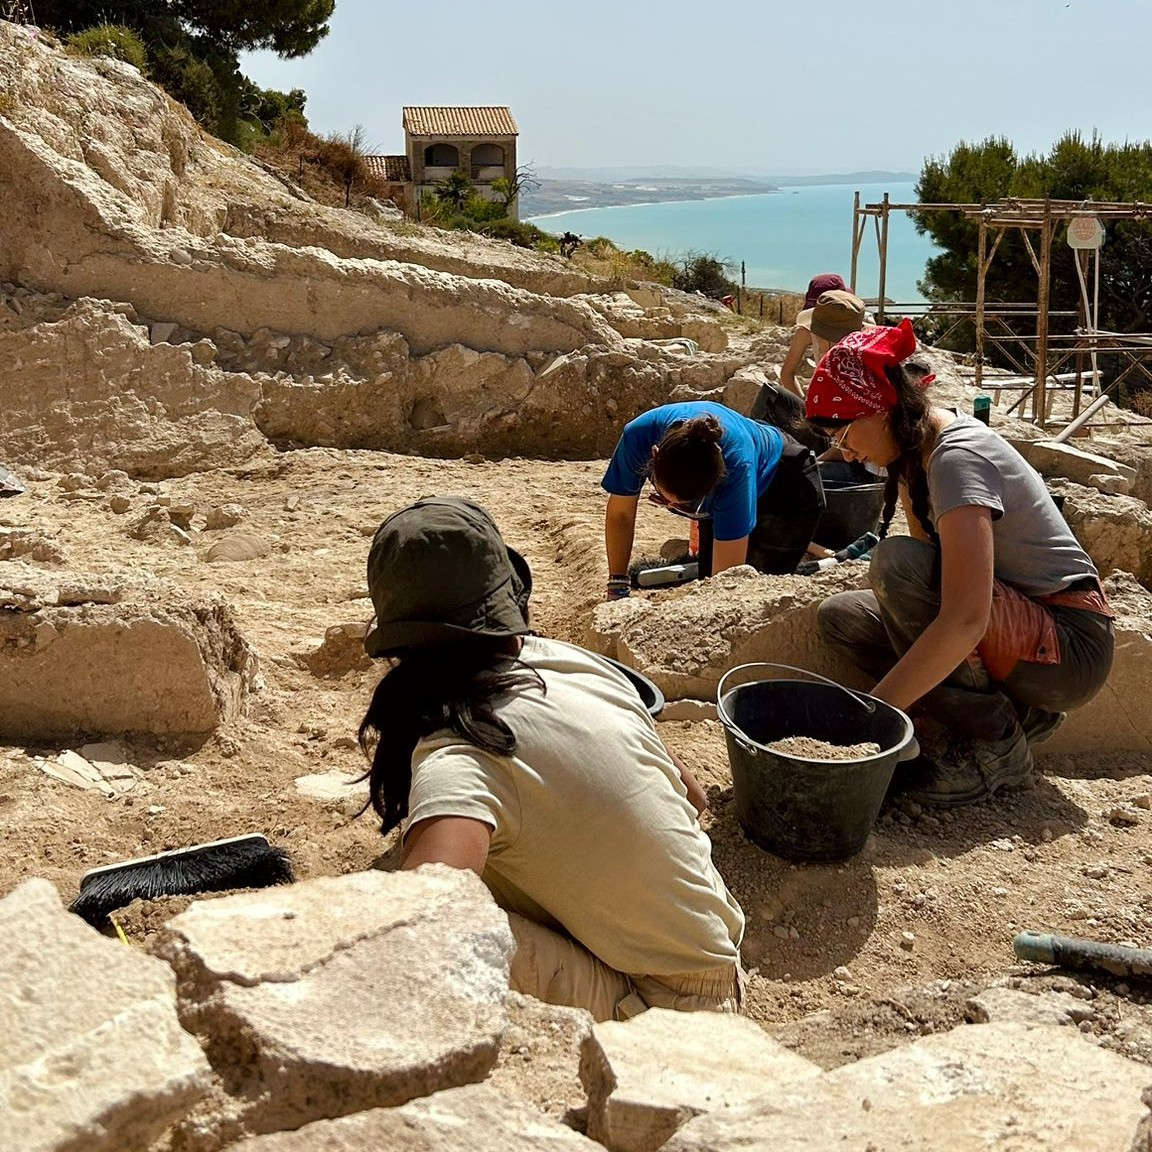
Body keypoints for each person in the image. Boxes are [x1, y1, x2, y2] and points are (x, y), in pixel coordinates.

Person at [358, 496, 745, 1021]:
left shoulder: (463, 754)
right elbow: (692, 798)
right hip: (717, 955)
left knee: (409, 928)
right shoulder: (571, 662)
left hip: (672, 1015)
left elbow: (420, 934)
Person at [806, 320, 1115, 806]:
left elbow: (965, 617)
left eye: (845, 432)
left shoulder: (956, 458)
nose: (846, 451)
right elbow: (934, 590)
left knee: (897, 567)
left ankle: (996, 750)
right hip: (1027, 631)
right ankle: (1014, 717)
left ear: (883, 411)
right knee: (846, 617)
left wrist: (872, 719)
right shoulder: (915, 454)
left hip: (1070, 646)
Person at [602, 401, 825, 598]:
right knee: (708, 581)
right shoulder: (638, 436)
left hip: (787, 489)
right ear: (654, 454)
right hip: (735, 475)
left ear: (714, 486)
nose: (674, 508)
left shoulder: (736, 470)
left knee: (754, 598)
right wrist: (617, 585)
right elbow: (620, 514)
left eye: (686, 506)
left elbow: (725, 588)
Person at [778, 276, 867, 399]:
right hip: (824, 395)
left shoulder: (863, 329)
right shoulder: (806, 331)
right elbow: (787, 374)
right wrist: (805, 406)